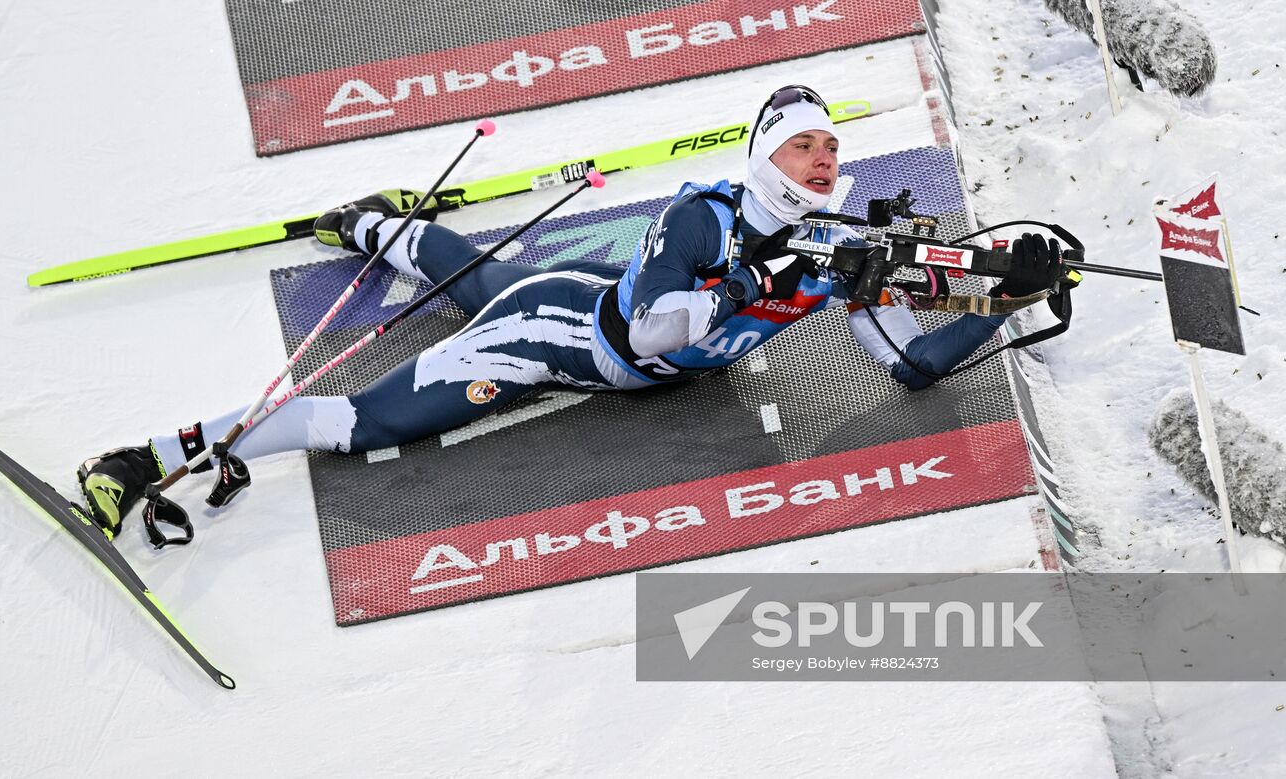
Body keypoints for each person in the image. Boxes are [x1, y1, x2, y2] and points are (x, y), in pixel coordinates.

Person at [77, 85, 1062, 535]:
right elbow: (652, 330)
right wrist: (743, 289)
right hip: (562, 340)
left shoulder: (832, 247)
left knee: (477, 281)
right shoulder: (699, 218)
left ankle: (380, 225)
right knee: (363, 421)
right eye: (805, 146)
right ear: (764, 154)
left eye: (830, 150)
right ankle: (140, 458)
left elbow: (916, 359)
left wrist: (1005, 288)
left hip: (617, 339)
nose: (825, 160)